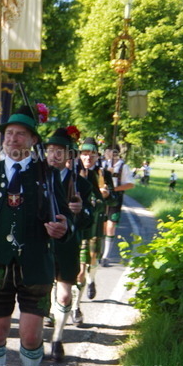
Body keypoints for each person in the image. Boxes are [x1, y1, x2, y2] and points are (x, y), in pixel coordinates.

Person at [0, 105, 70, 366]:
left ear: (31, 140)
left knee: (30, 336)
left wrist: (63, 229)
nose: (13, 139)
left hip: (35, 266)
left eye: (20, 134)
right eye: (9, 133)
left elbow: (66, 221)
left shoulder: (48, 176)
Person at [44, 129, 93, 361]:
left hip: (67, 247)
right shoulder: (36, 177)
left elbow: (89, 219)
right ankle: (34, 342)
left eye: (59, 151)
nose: (53, 155)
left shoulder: (81, 185)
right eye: (50, 150)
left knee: (64, 297)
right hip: (40, 246)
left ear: (68, 156)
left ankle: (57, 339)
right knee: (40, 294)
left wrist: (80, 210)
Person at [71, 137, 108, 324]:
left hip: (93, 230)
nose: (88, 157)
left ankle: (79, 300)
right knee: (74, 269)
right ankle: (66, 309)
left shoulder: (102, 174)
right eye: (85, 154)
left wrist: (105, 196)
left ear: (97, 156)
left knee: (89, 265)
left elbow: (112, 202)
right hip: (74, 231)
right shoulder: (71, 173)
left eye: (92, 154)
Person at [99, 144, 134, 266]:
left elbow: (130, 184)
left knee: (110, 226)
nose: (106, 154)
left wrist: (114, 189)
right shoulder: (102, 165)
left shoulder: (124, 167)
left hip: (115, 199)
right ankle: (100, 251)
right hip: (102, 198)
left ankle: (106, 256)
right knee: (102, 226)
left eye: (108, 152)